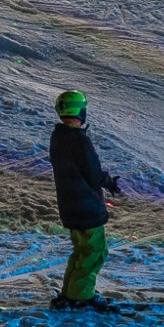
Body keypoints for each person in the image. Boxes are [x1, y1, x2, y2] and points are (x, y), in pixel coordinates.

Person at [49, 89, 123, 311]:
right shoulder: (79, 140)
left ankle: (70, 292)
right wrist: (108, 182)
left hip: (69, 207)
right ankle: (82, 295)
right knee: (95, 252)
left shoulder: (58, 136)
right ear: (79, 111)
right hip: (87, 208)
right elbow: (92, 171)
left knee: (80, 251)